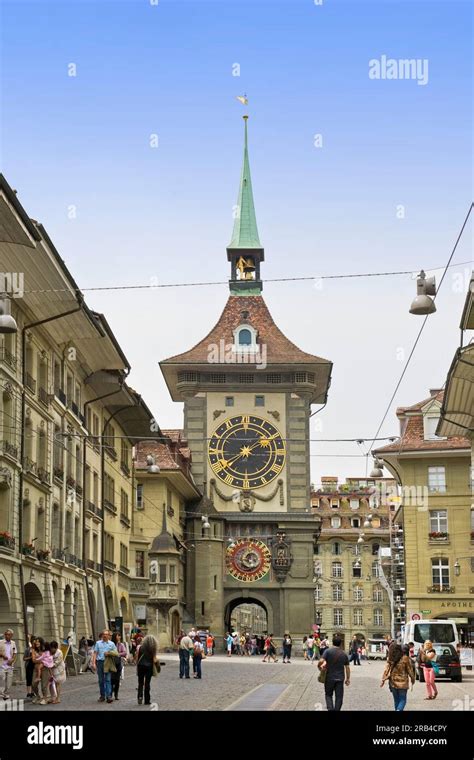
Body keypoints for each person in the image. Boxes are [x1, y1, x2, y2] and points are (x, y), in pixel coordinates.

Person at [318, 636, 350, 712]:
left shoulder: (327, 651)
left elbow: (321, 661)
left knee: (328, 695)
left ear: (332, 642)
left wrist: (319, 666)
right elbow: (347, 668)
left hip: (329, 677)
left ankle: (330, 709)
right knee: (339, 697)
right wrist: (348, 679)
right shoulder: (344, 654)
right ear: (340, 643)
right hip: (340, 678)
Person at [381, 642, 415, 711]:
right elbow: (410, 671)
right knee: (402, 700)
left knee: (396, 700)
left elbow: (386, 670)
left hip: (393, 683)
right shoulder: (405, 658)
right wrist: (413, 680)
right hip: (403, 683)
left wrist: (383, 680)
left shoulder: (390, 659)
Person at [91, 629, 116, 704]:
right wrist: (93, 663)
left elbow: (116, 653)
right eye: (103, 634)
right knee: (101, 680)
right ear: (102, 635)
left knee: (108, 680)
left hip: (108, 663)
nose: (104, 635)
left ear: (108, 636)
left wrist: (109, 653)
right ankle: (102, 696)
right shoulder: (98, 643)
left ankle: (109, 696)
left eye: (106, 634)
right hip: (100, 663)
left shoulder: (111, 644)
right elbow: (95, 653)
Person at [135, 635, 160, 705]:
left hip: (140, 666)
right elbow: (154, 659)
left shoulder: (140, 648)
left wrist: (137, 665)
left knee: (140, 683)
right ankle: (147, 700)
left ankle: (140, 696)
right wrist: (158, 665)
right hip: (149, 667)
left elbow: (137, 658)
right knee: (147, 683)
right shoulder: (153, 649)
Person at [0, 628, 17, 701]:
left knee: (9, 681)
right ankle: (2, 693)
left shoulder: (13, 643)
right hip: (1, 664)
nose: (7, 636)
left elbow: (15, 653)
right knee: (2, 679)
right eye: (6, 634)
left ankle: (5, 693)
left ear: (11, 635)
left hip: (10, 665)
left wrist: (12, 660)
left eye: (9, 635)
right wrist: (3, 655)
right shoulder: (0, 642)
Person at [111, 632, 127, 700]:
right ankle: (110, 693)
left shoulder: (121, 644)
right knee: (111, 679)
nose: (119, 637)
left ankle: (116, 694)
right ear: (115, 637)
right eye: (118, 636)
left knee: (117, 679)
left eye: (120, 636)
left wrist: (118, 654)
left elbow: (125, 652)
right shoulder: (110, 644)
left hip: (118, 663)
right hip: (111, 663)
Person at [23, 634, 35, 700]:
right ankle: (28, 693)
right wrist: (30, 657)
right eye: (32, 642)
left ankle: (33, 692)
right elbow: (24, 658)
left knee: (34, 680)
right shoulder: (27, 650)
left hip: (35, 666)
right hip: (29, 666)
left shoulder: (36, 650)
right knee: (29, 680)